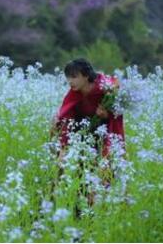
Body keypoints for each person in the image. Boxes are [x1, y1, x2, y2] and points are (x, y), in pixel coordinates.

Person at [49, 58, 125, 214]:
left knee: (103, 168)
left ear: (86, 75)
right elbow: (66, 116)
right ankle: (73, 205)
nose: (70, 81)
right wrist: (63, 145)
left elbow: (117, 109)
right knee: (77, 168)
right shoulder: (73, 93)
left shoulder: (105, 86)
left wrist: (106, 114)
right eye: (68, 77)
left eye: (74, 76)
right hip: (82, 133)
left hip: (103, 133)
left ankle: (98, 207)